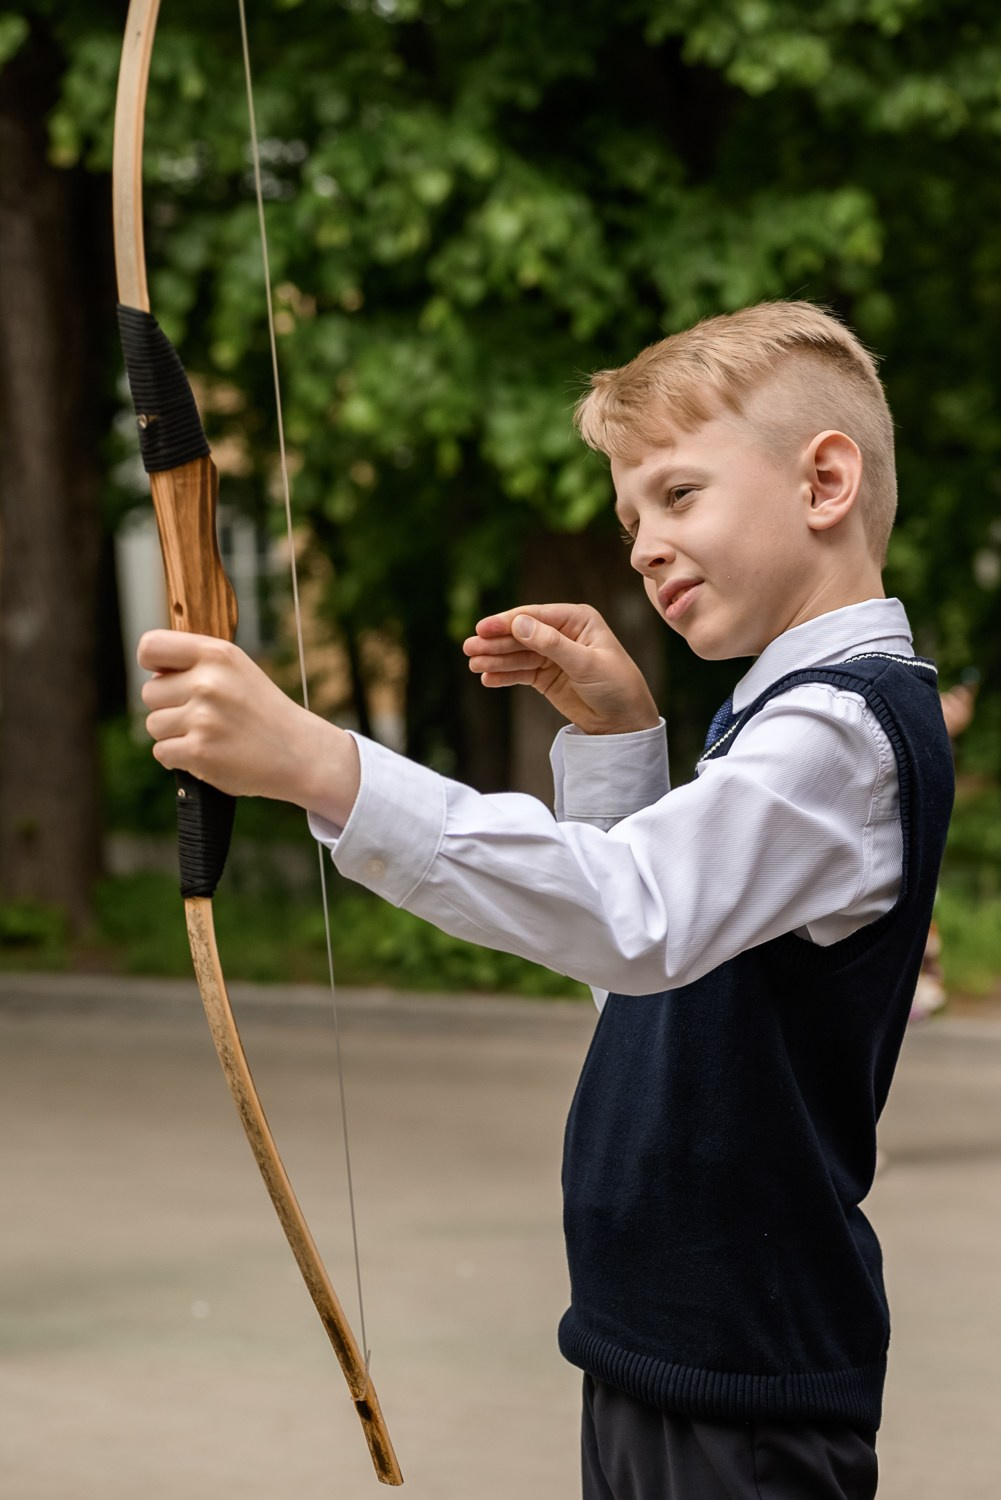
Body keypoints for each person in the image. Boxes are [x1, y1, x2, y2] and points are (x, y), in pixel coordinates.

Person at [137, 301, 955, 1500]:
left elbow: (637, 918)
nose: (639, 545)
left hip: (744, 1382)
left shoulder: (845, 727)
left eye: (675, 496)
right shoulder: (790, 722)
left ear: (823, 480)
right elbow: (647, 974)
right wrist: (623, 742)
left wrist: (318, 761)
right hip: (665, 1351)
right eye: (629, 519)